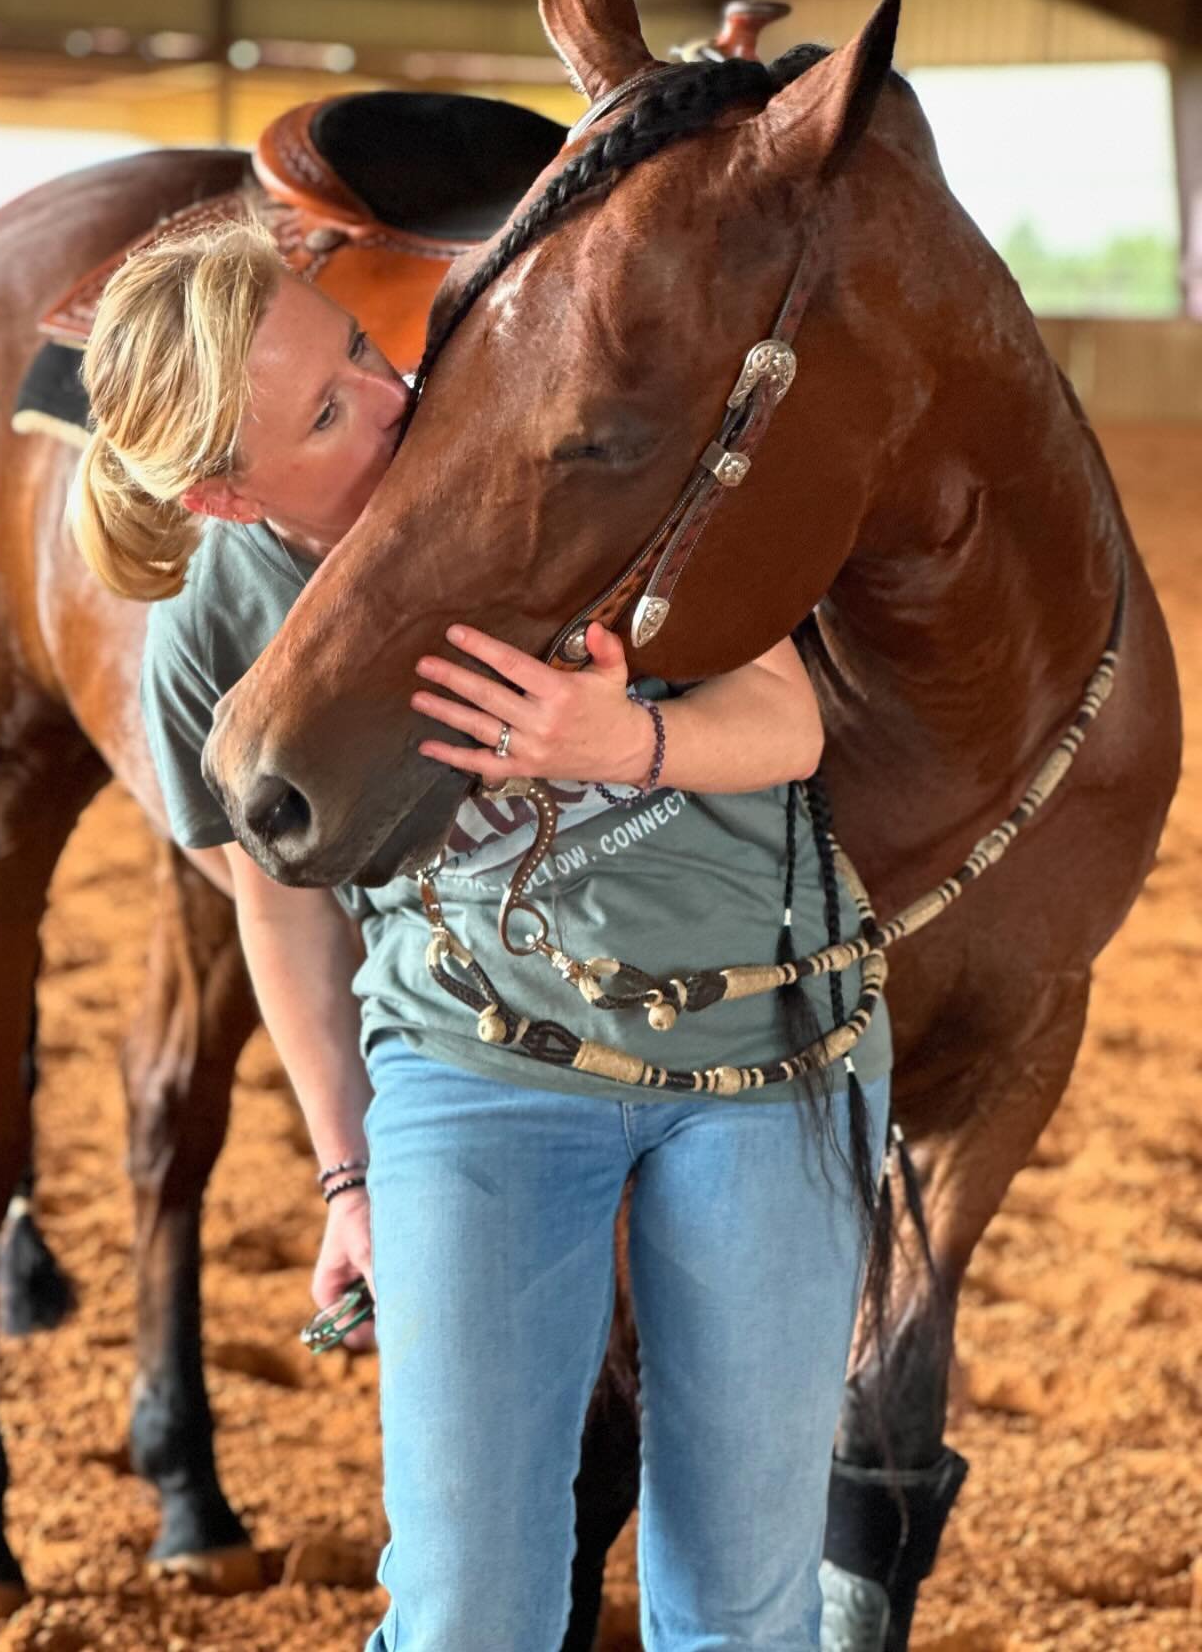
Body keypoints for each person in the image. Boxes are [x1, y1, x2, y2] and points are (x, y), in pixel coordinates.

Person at [68, 217, 893, 1652]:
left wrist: (612, 735)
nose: (392, 397)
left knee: (745, 1613)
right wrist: (346, 1174)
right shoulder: (222, 625)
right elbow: (278, 897)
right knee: (467, 1614)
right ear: (222, 497)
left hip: (774, 1049)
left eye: (357, 351)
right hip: (481, 1066)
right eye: (328, 414)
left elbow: (792, 717)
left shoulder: (536, 434)